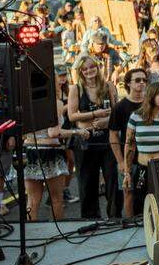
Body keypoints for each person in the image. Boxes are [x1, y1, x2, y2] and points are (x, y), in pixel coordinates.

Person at [24, 69, 86, 220]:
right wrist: (77, 132)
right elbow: (54, 133)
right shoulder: (54, 104)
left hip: (30, 151)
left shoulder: (25, 104)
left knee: (32, 200)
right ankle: (57, 231)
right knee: (56, 199)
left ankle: (31, 231)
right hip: (50, 152)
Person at [68, 54, 120, 219]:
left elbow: (117, 112)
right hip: (86, 140)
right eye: (85, 69)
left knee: (112, 180)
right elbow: (72, 116)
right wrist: (95, 114)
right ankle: (90, 219)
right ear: (80, 71)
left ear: (98, 68)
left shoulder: (108, 86)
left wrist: (107, 121)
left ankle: (114, 217)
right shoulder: (76, 89)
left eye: (92, 67)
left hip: (107, 139)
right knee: (87, 182)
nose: (89, 71)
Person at [124, 82, 159, 211]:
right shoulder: (136, 117)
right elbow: (129, 146)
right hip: (143, 169)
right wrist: (127, 172)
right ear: (151, 96)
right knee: (140, 205)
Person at [109, 68, 148, 218]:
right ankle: (131, 224)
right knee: (128, 193)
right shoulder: (120, 107)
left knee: (149, 193)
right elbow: (113, 136)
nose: (142, 83)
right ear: (128, 84)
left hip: (148, 157)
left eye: (144, 80)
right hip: (129, 158)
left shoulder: (150, 104)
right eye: (137, 80)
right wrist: (121, 161)